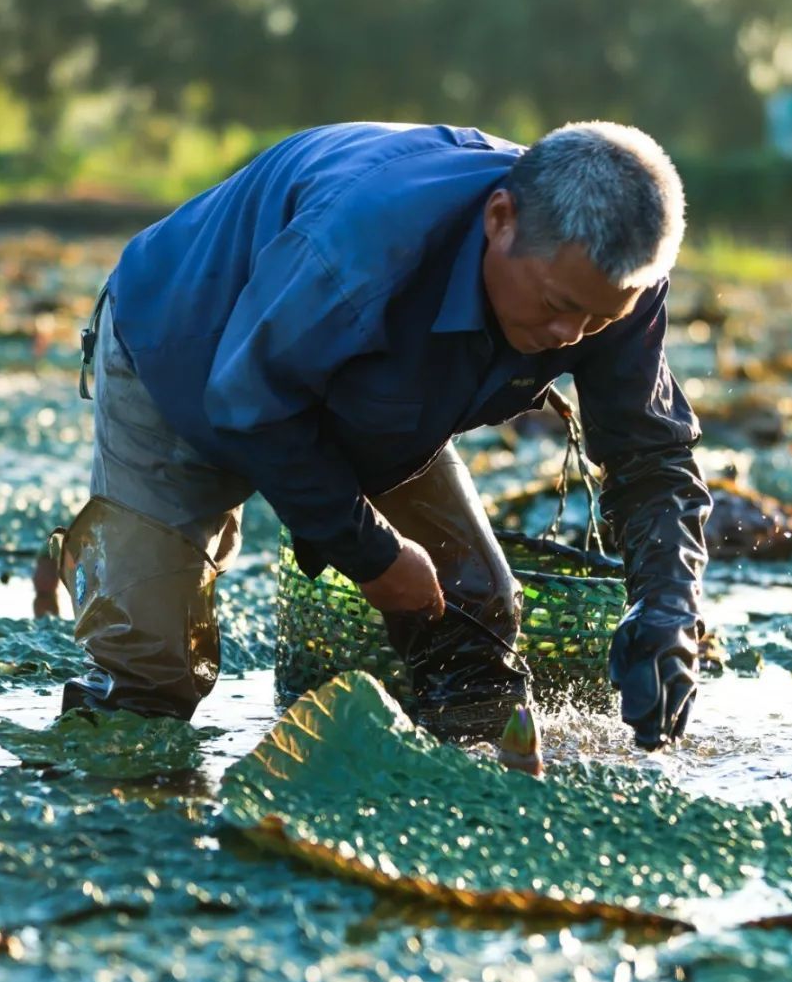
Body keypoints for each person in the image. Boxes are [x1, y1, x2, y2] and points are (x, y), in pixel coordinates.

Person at [58, 120, 711, 749]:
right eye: (556, 306)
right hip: (185, 355)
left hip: (379, 397)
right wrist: (371, 553)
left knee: (474, 604)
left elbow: (651, 457)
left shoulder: (615, 284)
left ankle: (457, 793)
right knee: (150, 674)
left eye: (600, 318)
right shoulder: (363, 242)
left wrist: (667, 612)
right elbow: (249, 403)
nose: (571, 336)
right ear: (500, 220)